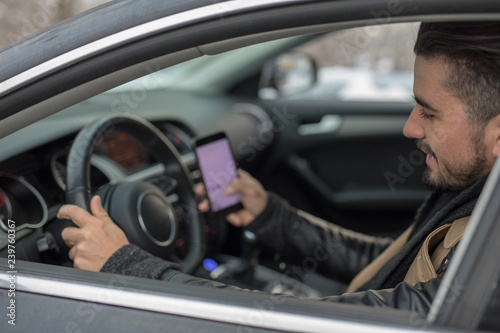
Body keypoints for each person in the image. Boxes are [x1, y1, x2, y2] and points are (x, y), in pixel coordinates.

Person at [57, 22, 500, 314]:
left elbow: (332, 321)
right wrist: (271, 217)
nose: (409, 128)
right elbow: (388, 265)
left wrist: (131, 267)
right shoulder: (477, 191)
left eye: (430, 113)